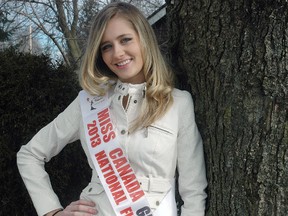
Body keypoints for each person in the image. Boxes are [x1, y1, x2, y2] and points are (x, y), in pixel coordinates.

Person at [17, 2, 207, 216]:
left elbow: (194, 192)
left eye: (125, 40)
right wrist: (52, 211)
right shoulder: (88, 104)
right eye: (106, 46)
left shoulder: (178, 103)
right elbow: (29, 155)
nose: (117, 53)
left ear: (144, 39)